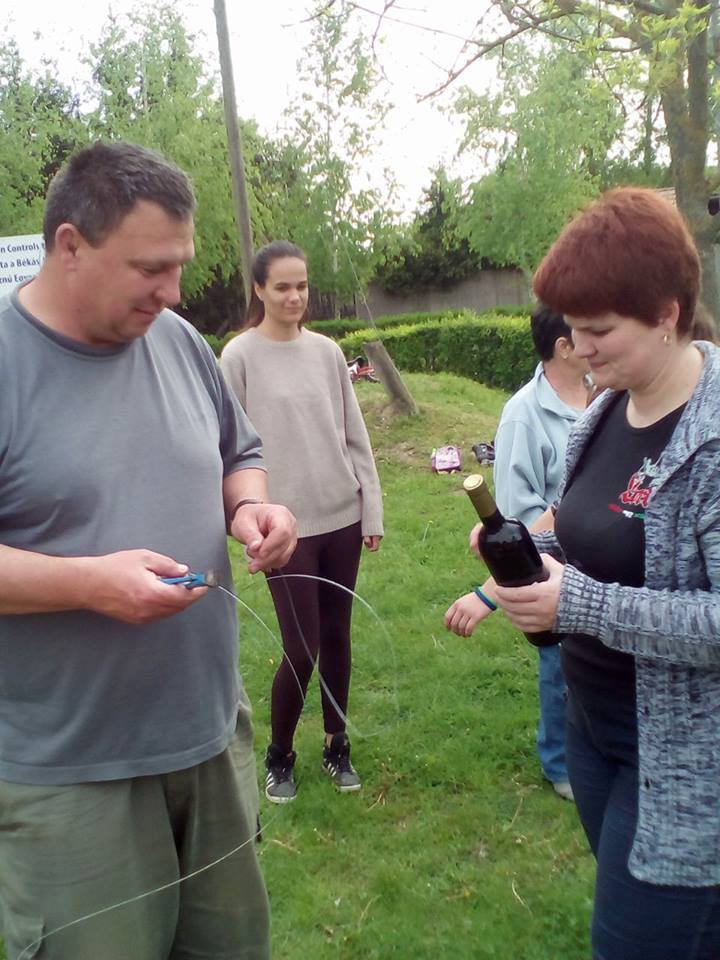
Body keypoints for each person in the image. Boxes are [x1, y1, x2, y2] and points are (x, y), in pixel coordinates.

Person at [0, 141, 297, 960]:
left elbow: (239, 452)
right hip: (72, 773)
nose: (173, 292)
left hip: (209, 732)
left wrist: (251, 507)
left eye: (179, 267)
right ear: (70, 245)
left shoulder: (177, 340)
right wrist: (87, 584)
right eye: (150, 269)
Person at [463, 187, 720, 959]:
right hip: (594, 733)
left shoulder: (711, 439)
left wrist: (580, 604)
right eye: (572, 329)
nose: (578, 349)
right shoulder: (605, 414)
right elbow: (595, 543)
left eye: (599, 330)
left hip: (682, 765)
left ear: (668, 313)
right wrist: (537, 560)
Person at [220, 241, 383, 804]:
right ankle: (279, 755)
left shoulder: (328, 353)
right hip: (283, 529)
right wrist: (243, 516)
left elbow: (354, 435)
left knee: (338, 636)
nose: (295, 297)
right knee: (301, 647)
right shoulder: (238, 357)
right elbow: (227, 447)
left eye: (302, 286)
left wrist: (370, 507)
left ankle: (337, 744)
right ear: (259, 289)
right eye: (283, 287)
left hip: (341, 517)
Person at [445, 306, 589, 801]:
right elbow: (512, 520)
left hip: (601, 562)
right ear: (563, 347)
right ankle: (559, 763)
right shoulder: (523, 415)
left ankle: (593, 749)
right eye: (586, 329)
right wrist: (491, 592)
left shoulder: (604, 393)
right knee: (559, 664)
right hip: (550, 564)